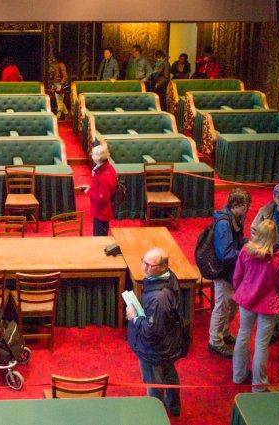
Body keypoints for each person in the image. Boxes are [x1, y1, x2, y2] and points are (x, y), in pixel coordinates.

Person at [231, 219, 279, 392]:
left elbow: (237, 276)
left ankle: (238, 374)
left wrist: (241, 291)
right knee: (261, 344)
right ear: (274, 237)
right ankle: (258, 385)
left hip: (247, 301)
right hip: (269, 306)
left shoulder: (245, 251)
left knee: (243, 335)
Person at [126, 248, 183, 417]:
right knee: (169, 374)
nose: (144, 267)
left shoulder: (159, 299)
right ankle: (174, 407)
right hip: (167, 343)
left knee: (153, 383)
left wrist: (135, 317)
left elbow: (152, 332)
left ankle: (156, 415)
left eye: (149, 265)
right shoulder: (169, 276)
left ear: (163, 266)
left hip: (153, 348)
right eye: (143, 261)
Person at [208, 188, 251, 358]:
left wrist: (249, 244)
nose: (247, 210)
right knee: (221, 307)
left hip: (232, 273)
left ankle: (224, 333)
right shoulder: (224, 224)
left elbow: (238, 241)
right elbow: (225, 254)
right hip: (223, 272)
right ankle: (215, 342)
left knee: (231, 305)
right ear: (236, 205)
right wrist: (246, 251)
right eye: (245, 206)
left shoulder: (234, 219)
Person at [82, 143, 117, 236]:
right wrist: (91, 188)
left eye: (93, 154)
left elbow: (102, 198)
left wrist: (88, 192)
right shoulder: (106, 167)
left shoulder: (105, 176)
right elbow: (99, 187)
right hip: (101, 210)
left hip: (102, 212)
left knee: (99, 238)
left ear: (97, 158)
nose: (91, 155)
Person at [48, 51, 69, 119]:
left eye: (53, 57)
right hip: (55, 84)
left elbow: (65, 76)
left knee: (59, 101)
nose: (52, 58)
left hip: (59, 84)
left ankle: (58, 116)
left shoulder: (61, 65)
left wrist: (61, 84)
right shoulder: (56, 64)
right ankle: (67, 114)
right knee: (59, 101)